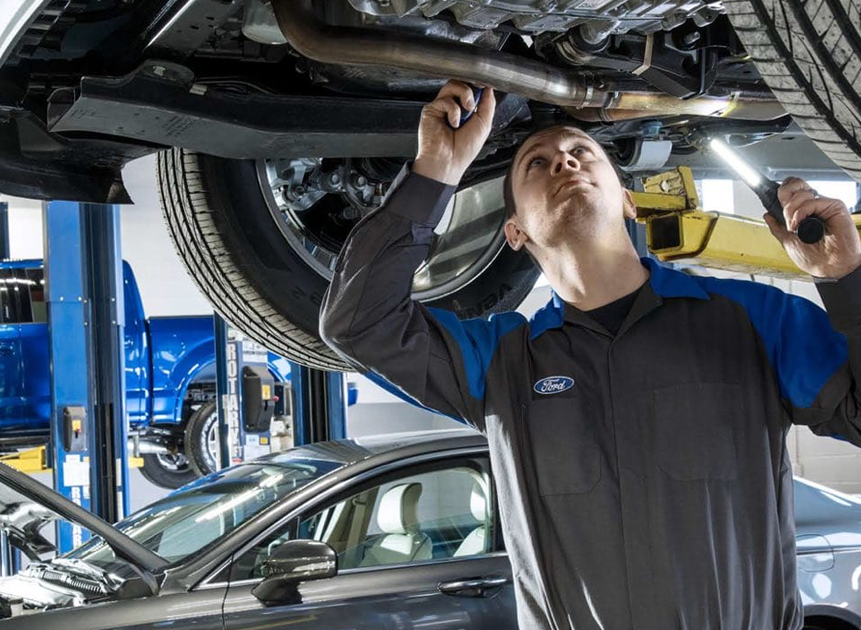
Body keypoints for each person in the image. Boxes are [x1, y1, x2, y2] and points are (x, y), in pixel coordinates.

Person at [320, 81, 861, 630]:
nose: (564, 161)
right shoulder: (500, 363)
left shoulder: (754, 321)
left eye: (582, 151)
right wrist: (435, 169)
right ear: (515, 232)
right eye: (536, 163)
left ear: (628, 200)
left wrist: (846, 280)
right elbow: (358, 323)